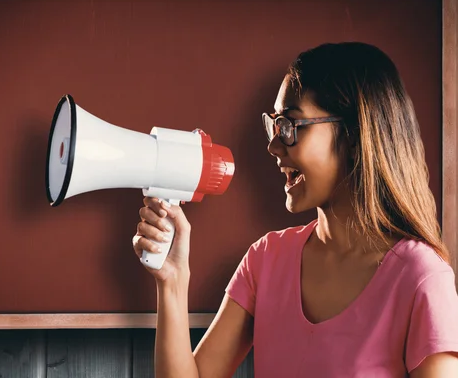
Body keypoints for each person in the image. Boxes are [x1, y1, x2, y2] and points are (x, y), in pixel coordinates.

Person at [132, 42, 458, 377]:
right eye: (274, 125)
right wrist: (171, 281)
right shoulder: (266, 260)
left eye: (290, 126)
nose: (273, 146)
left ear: (354, 135)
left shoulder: (421, 280)